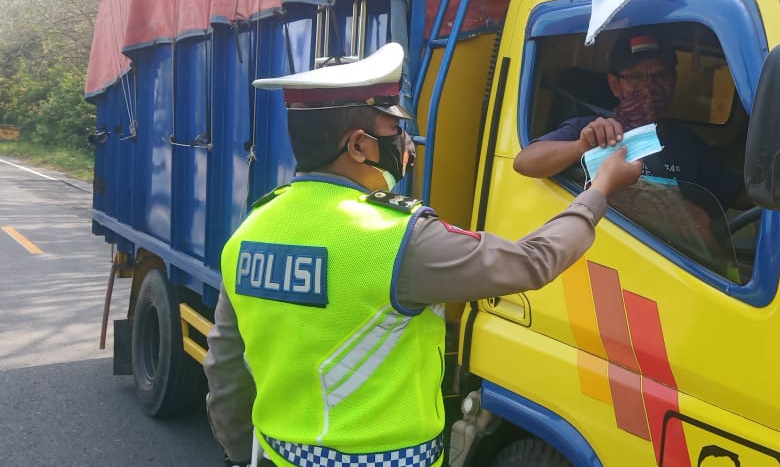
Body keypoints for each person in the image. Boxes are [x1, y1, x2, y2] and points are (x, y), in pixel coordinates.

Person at [203, 42, 643, 467]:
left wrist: (241, 454)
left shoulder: (249, 232)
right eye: (394, 130)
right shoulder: (397, 239)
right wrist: (599, 189)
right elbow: (532, 261)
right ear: (358, 146)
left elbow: (225, 369)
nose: (407, 141)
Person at [513, 26, 749, 211]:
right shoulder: (590, 130)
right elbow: (524, 162)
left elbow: (738, 194)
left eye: (659, 76)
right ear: (615, 85)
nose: (648, 87)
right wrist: (581, 146)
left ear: (674, 80)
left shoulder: (688, 143)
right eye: (635, 77)